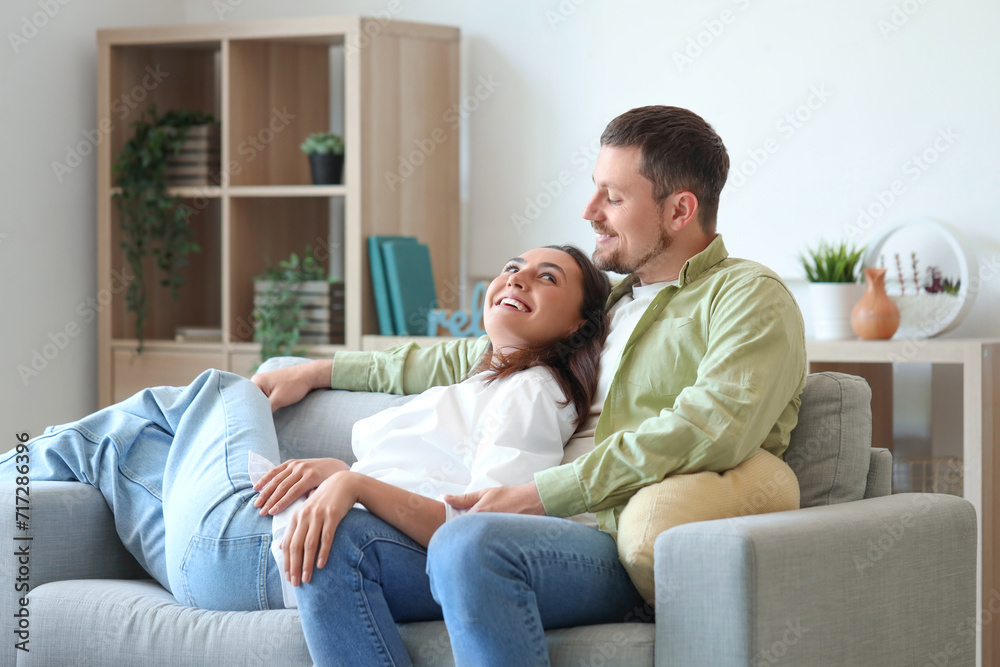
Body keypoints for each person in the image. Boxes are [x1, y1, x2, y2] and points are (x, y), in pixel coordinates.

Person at [256, 105, 807, 666]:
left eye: (612, 198)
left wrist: (543, 494)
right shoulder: (607, 308)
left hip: (600, 535)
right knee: (331, 540)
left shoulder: (746, 295)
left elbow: (713, 426)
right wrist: (317, 370)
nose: (590, 212)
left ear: (680, 210)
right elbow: (462, 359)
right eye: (596, 191)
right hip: (527, 525)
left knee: (468, 541)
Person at [0, 245, 610, 625]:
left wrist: (353, 480)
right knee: (109, 445)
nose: (517, 278)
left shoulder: (536, 390)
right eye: (511, 268)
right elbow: (402, 365)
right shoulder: (477, 377)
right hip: (234, 564)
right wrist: (322, 394)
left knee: (226, 388)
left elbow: (479, 526)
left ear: (581, 324)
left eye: (547, 277)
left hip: (259, 548)